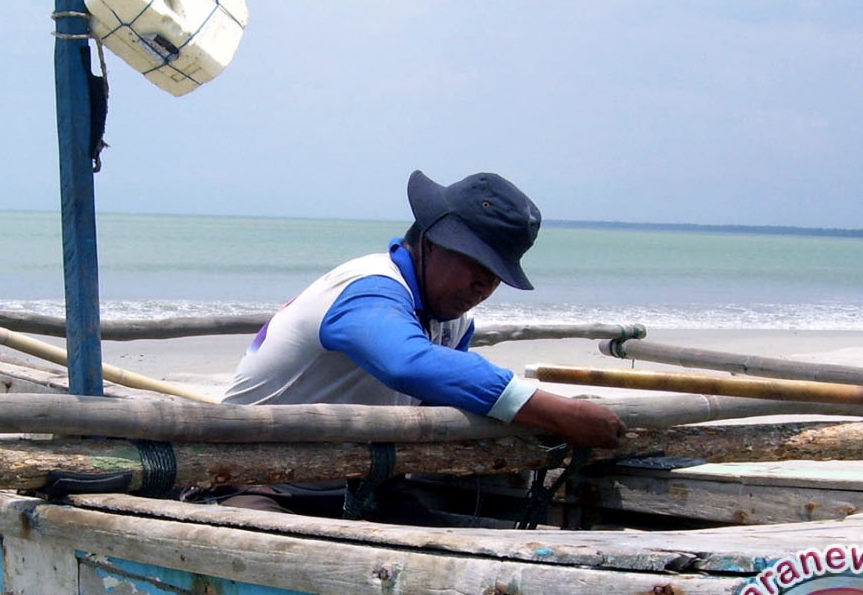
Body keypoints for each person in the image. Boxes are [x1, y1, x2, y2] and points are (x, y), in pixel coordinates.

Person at [184, 170, 625, 517]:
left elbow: (446, 393)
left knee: (453, 556)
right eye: (474, 264)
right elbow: (409, 363)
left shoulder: (452, 322)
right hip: (254, 481)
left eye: (495, 275)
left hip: (359, 482)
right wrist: (561, 411)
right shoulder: (368, 287)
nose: (482, 285)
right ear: (431, 243)